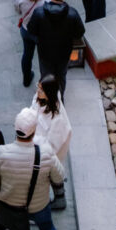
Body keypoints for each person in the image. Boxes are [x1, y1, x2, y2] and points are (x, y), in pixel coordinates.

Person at [27, 0, 84, 94]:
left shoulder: (39, 13)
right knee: (61, 76)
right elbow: (79, 33)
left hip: (45, 52)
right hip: (63, 52)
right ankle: (59, 99)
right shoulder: (72, 13)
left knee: (45, 76)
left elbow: (31, 30)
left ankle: (46, 100)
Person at [32, 74, 72, 210]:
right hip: (38, 146)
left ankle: (59, 199)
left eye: (41, 90)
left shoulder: (58, 119)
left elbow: (52, 145)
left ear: (49, 92)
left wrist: (33, 142)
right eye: (38, 87)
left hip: (47, 152)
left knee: (51, 175)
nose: (37, 92)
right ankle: (60, 198)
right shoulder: (39, 99)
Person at [15, 0, 47, 88]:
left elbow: (17, 10)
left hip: (25, 29)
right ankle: (44, 82)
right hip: (39, 34)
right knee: (43, 58)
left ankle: (26, 79)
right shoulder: (45, 0)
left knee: (27, 54)